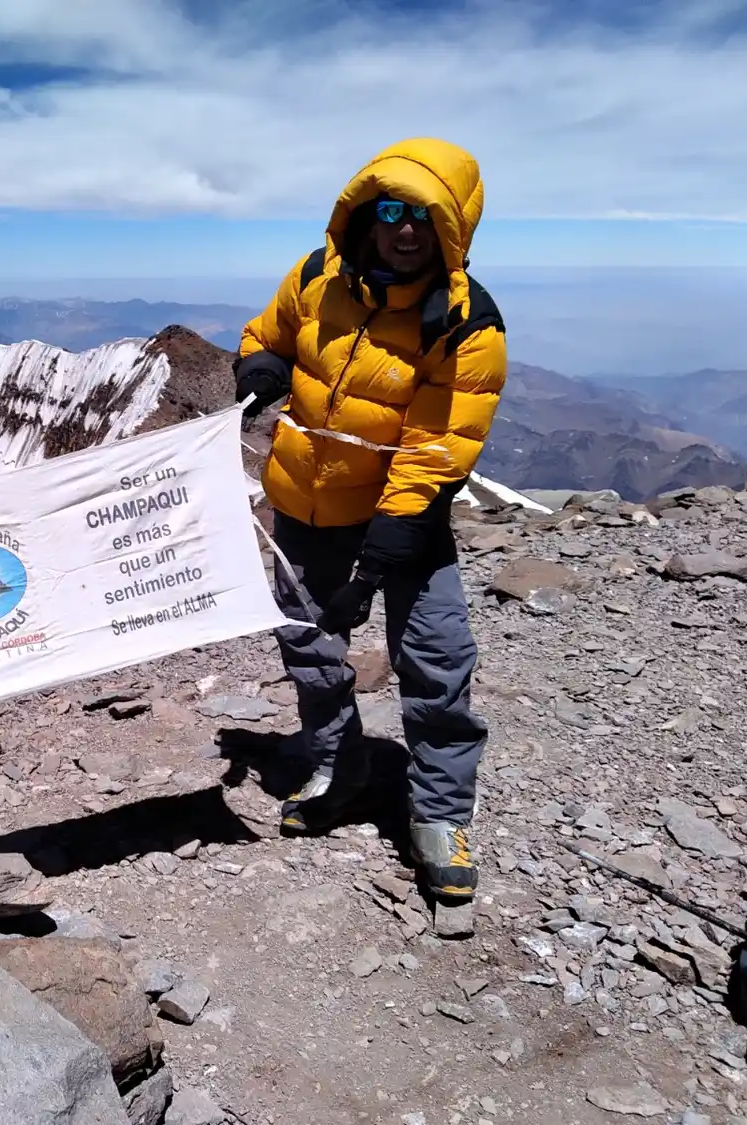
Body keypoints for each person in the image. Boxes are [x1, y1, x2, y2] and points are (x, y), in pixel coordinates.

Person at [234, 138, 506, 903]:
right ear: (367, 214)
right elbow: (268, 335)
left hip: (404, 521)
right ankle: (339, 768)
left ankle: (440, 816)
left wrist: (381, 556)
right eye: (392, 211)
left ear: (451, 230)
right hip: (305, 508)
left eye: (425, 216)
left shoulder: (464, 323)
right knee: (312, 650)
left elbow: (436, 445)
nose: (405, 229)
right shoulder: (319, 276)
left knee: (434, 658)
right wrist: (259, 368)